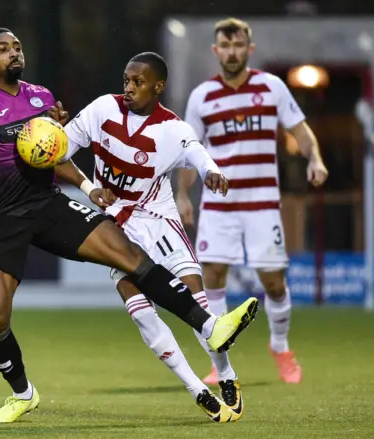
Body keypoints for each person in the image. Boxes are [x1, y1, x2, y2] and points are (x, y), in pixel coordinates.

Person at [0, 28, 259, 424]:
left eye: (17, 46)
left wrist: (86, 185)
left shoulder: (41, 97)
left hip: (47, 205)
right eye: (3, 48)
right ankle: (23, 393)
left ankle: (210, 325)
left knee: (129, 256)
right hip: (1, 218)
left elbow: (53, 151)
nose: (14, 53)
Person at [56, 52, 245, 423]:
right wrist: (86, 183)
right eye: (126, 80)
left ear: (158, 87)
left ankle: (226, 375)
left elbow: (197, 153)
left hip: (157, 218)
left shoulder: (172, 129)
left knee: (196, 302)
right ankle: (197, 389)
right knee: (141, 313)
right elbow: (58, 151)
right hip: (115, 224)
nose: (128, 88)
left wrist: (212, 173)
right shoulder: (101, 110)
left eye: (137, 82)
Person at [176, 18, 329, 384]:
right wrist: (183, 194)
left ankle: (280, 346)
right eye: (225, 47)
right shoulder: (202, 96)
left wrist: (315, 158)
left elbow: (300, 130)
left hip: (262, 202)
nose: (232, 52)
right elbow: (190, 151)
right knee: (212, 276)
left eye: (238, 45)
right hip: (219, 203)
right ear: (216, 51)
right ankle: (220, 361)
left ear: (249, 48)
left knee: (274, 282)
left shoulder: (271, 87)